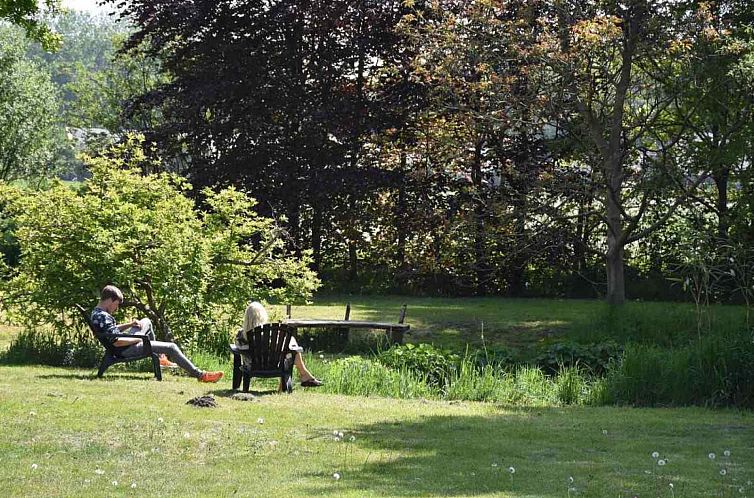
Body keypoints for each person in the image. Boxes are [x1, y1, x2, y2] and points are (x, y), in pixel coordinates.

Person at [91, 285, 224, 383]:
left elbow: (111, 331)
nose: (117, 308)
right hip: (124, 348)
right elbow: (117, 341)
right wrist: (138, 340)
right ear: (109, 300)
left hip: (123, 345)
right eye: (116, 304)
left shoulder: (98, 313)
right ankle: (201, 375)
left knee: (146, 321)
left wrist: (130, 325)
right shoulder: (103, 316)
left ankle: (161, 358)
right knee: (171, 347)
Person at [235, 301, 322, 387]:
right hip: (276, 365)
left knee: (292, 348)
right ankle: (303, 374)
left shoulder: (241, 335)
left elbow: (239, 348)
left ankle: (304, 375)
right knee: (292, 348)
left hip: (252, 366)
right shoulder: (269, 334)